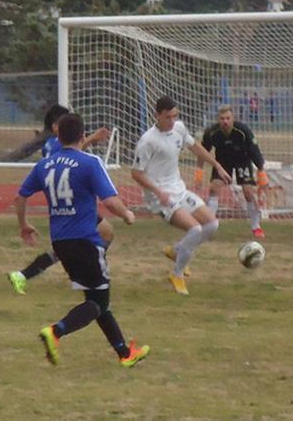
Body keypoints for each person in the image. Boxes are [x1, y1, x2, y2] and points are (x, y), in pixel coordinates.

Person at [15, 113, 149, 367]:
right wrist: (128, 214)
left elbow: (20, 196)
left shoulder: (45, 164)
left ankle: (125, 353)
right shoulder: (90, 162)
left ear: (59, 137)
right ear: (83, 136)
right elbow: (109, 200)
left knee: (96, 299)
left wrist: (24, 225)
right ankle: (55, 332)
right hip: (86, 241)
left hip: (61, 244)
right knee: (98, 303)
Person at [7, 104, 114, 295]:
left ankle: (24, 275)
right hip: (72, 204)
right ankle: (89, 270)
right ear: (56, 126)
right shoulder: (55, 143)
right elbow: (69, 154)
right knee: (88, 240)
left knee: (102, 233)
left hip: (67, 203)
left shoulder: (54, 143)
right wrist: (93, 138)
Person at [131, 96, 231, 296]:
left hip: (179, 190)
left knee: (212, 224)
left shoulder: (179, 128)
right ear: (157, 116)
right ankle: (177, 274)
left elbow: (195, 148)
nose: (172, 121)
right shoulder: (148, 141)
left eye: (174, 116)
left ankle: (177, 251)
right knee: (194, 229)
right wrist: (158, 193)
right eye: (168, 117)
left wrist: (217, 165)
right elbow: (136, 173)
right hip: (160, 196)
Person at [197, 105, 269, 238]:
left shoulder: (242, 131)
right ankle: (209, 227)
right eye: (222, 118)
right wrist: (199, 172)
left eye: (228, 118)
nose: (225, 121)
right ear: (218, 119)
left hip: (242, 160)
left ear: (233, 119)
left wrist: (261, 171)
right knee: (214, 189)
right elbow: (202, 152)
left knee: (248, 192)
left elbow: (255, 151)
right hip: (223, 162)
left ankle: (256, 227)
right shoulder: (211, 132)